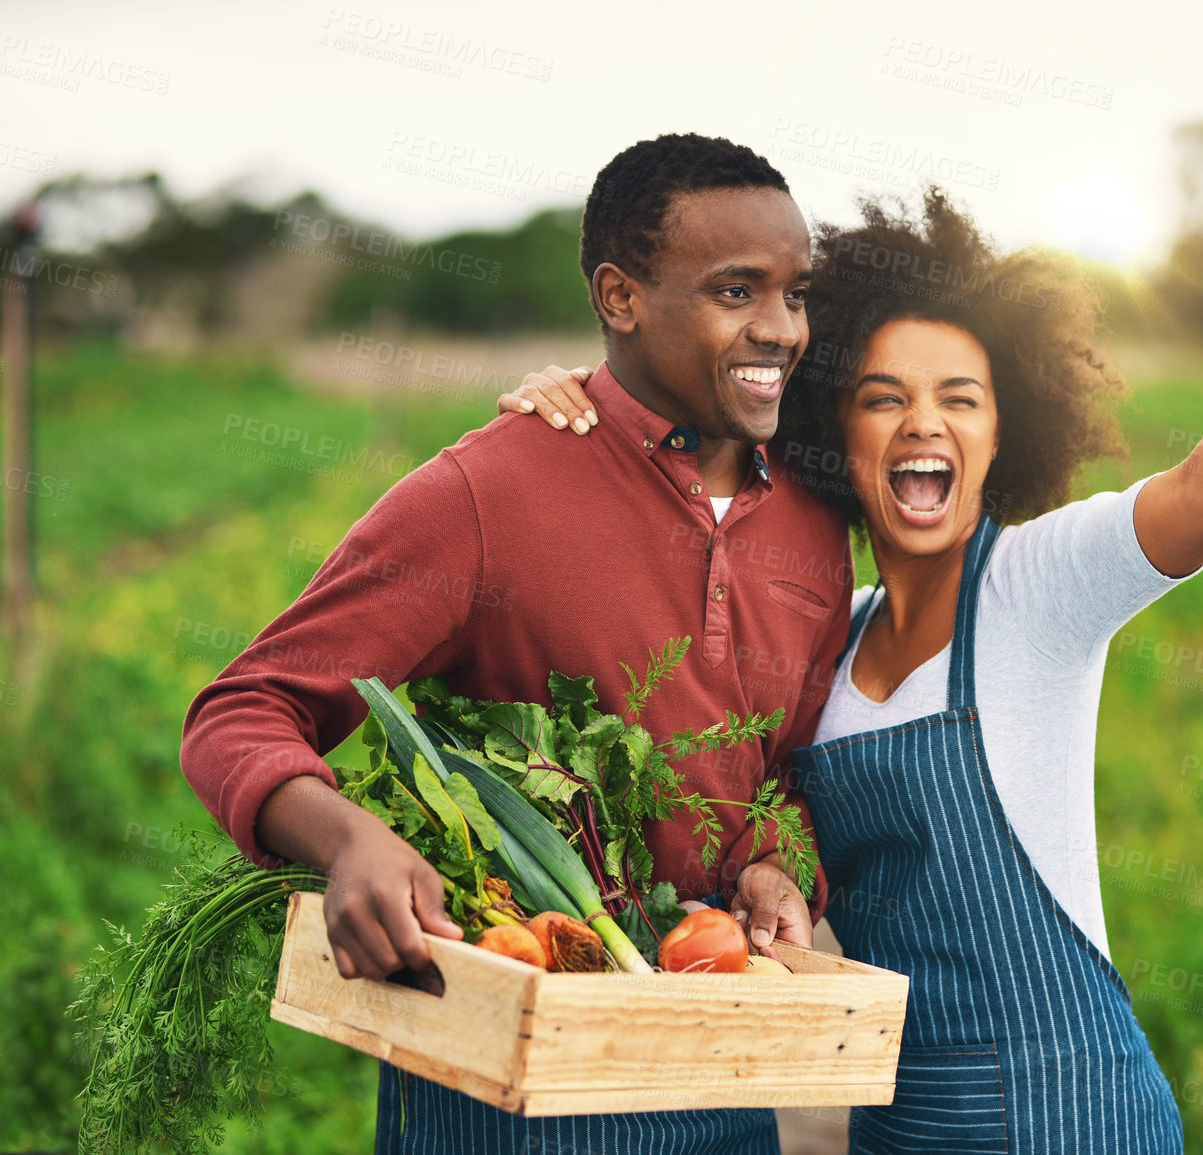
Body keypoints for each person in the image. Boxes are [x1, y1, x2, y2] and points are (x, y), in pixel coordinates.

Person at [501, 187, 1203, 1153]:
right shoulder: (824, 643)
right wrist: (586, 411)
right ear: (832, 429)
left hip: (1075, 1114)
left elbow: (1199, 486)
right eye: (882, 398)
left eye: (960, 399)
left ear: (1000, 433)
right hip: (899, 1124)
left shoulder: (1037, 588)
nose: (922, 423)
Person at [180, 133, 854, 1154]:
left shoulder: (810, 520)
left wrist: (775, 863)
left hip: (721, 1060)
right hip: (509, 1063)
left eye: (795, 293)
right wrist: (349, 837)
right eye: (735, 293)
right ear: (620, 299)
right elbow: (244, 710)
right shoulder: (486, 497)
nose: (780, 328)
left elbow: (786, 770)